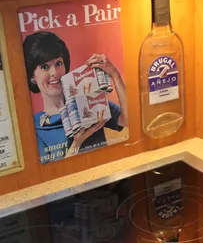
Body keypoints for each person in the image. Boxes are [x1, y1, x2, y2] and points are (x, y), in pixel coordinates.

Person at [22, 31, 129, 163]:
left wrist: (115, 75)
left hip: (106, 179)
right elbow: (52, 177)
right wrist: (77, 143)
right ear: (32, 76)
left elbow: (128, 120)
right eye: (45, 67)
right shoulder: (35, 127)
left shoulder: (86, 99)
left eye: (58, 63)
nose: (54, 72)